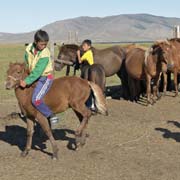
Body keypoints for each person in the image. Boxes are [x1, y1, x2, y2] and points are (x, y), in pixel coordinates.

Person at [20, 29, 59, 127]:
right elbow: (26, 62)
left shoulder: (45, 53)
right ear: (35, 42)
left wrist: (26, 81)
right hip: (32, 75)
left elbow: (38, 71)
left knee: (36, 99)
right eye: (42, 44)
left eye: (45, 44)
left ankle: (51, 115)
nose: (44, 46)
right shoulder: (28, 48)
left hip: (44, 78)